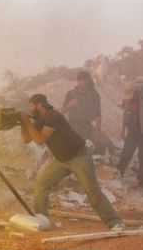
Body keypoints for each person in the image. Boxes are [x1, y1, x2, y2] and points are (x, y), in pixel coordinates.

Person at [20, 93, 124, 231]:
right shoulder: (40, 121)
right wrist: (23, 124)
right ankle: (42, 220)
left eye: (32, 106)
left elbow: (39, 140)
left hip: (78, 157)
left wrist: (27, 122)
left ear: (40, 105)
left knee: (92, 192)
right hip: (61, 160)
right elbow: (27, 140)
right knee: (41, 185)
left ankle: (115, 222)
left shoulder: (54, 117)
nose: (30, 110)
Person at [61, 71, 108, 153]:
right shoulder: (71, 93)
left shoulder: (94, 95)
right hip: (73, 126)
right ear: (78, 81)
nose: (82, 83)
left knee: (91, 150)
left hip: (86, 127)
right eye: (80, 80)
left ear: (88, 81)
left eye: (84, 80)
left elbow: (98, 113)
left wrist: (98, 130)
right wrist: (70, 105)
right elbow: (63, 110)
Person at [116, 82, 140, 176]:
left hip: (142, 128)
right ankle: (119, 171)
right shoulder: (126, 100)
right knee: (127, 151)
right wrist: (123, 129)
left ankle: (141, 175)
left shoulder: (141, 100)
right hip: (131, 129)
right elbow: (125, 114)